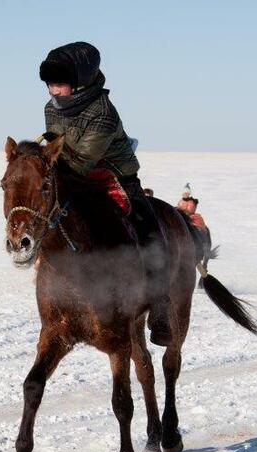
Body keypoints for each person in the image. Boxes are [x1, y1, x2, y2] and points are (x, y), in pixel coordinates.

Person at [39, 41, 172, 345]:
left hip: (114, 175)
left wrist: (50, 161)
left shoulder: (103, 113)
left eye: (59, 84)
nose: (53, 90)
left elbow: (81, 161)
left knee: (147, 225)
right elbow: (55, 145)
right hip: (74, 177)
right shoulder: (52, 107)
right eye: (50, 83)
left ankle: (161, 305)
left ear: (81, 82)